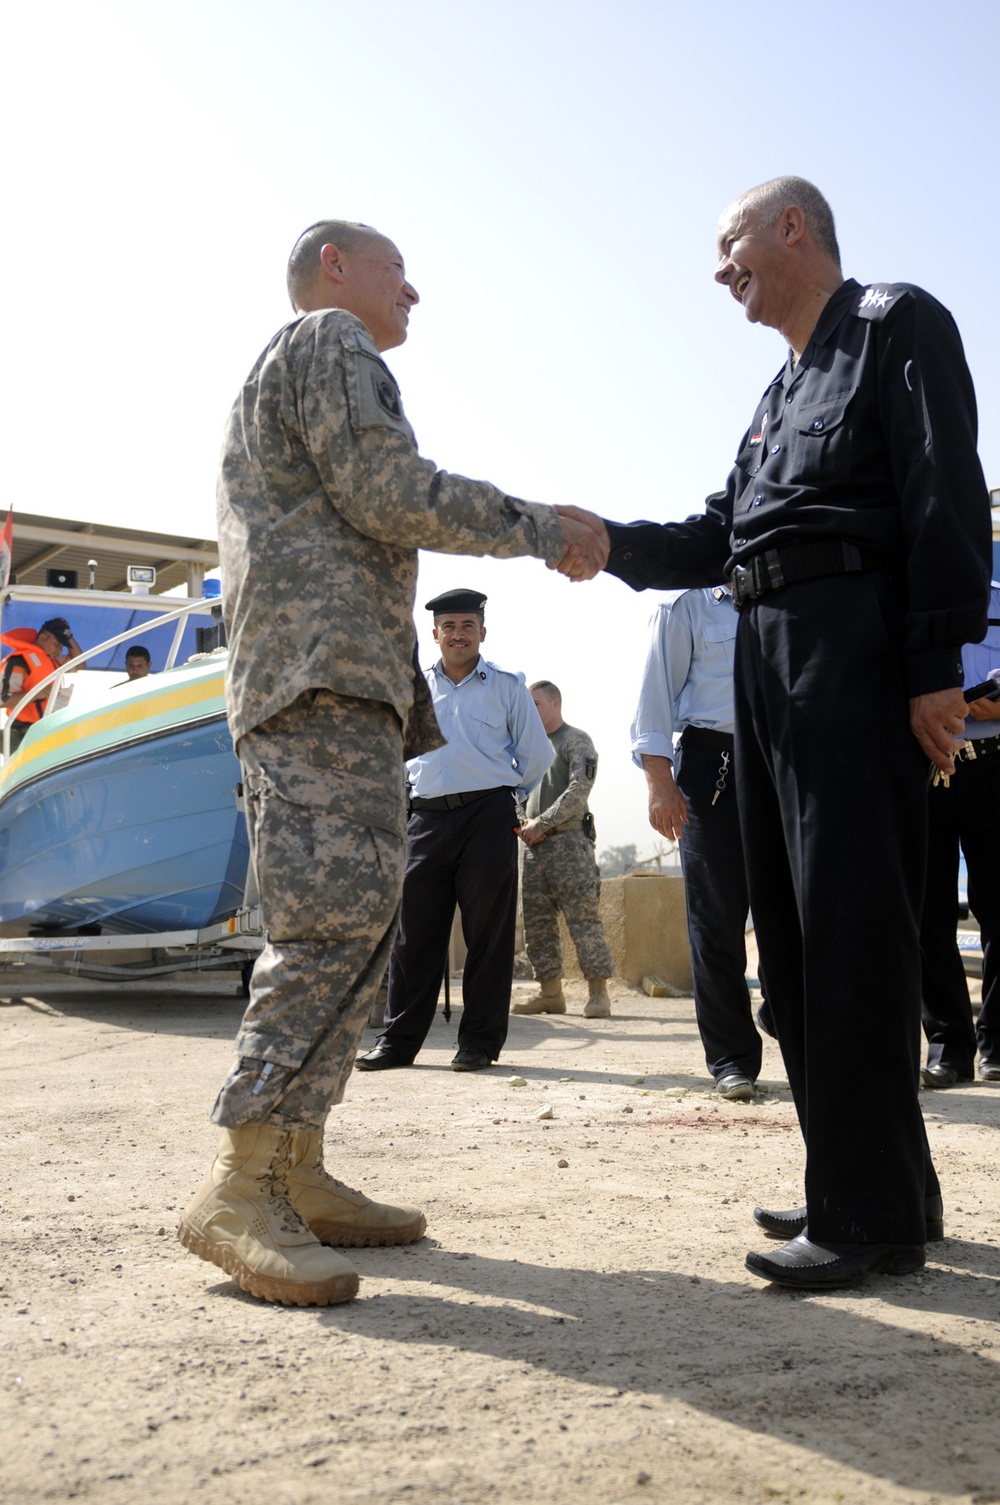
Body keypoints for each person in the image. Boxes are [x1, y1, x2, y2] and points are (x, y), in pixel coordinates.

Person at [555, 176, 991, 1288]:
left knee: (854, 930)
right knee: (792, 947)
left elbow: (947, 493)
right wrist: (611, 543)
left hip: (853, 653)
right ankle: (867, 1180)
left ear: (791, 226)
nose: (719, 266)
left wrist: (936, 665)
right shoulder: (776, 393)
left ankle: (870, 1218)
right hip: (765, 660)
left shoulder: (897, 325)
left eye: (730, 241)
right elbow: (720, 531)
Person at [178, 220, 605, 1308]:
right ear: (335, 267)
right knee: (328, 929)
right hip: (315, 684)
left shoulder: (320, 353)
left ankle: (298, 1166)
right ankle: (241, 1184)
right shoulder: (327, 337)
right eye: (393, 270)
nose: (412, 291)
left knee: (364, 927)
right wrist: (537, 526)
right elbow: (386, 486)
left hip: (347, 685)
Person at [356, 589, 553, 1074]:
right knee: (413, 935)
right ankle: (398, 1042)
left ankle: (478, 1045)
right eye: (449, 626)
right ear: (435, 634)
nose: (458, 634)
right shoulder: (414, 687)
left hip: (486, 817)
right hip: (423, 818)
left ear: (482, 632)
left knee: (487, 934)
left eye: (468, 625)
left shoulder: (507, 686)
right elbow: (393, 752)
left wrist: (502, 797)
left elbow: (537, 757)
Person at [631, 586, 761, 1099]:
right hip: (713, 764)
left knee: (801, 906)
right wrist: (660, 784)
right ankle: (732, 1059)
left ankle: (788, 1019)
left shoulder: (788, 591)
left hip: (784, 759)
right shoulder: (684, 607)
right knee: (716, 921)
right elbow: (654, 702)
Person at [919, 579, 1000, 1088]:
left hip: (994, 766)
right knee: (928, 915)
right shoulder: (909, 595)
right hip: (926, 768)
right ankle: (948, 1048)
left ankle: (998, 1044)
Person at [512, 680, 614, 1019]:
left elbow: (578, 791)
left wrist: (541, 823)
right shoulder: (527, 747)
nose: (531, 711)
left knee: (582, 919)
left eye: (536, 704)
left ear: (555, 703)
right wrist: (524, 824)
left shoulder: (575, 740)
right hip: (531, 848)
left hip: (568, 844)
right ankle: (550, 994)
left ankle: (598, 994)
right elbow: (515, 791)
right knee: (537, 924)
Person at [1, 617, 86, 751]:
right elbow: (3, 700)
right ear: (42, 638)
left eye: (62, 647)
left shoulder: (53, 659)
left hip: (46, 729)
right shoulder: (19, 661)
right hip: (23, 732)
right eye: (57, 644)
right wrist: (36, 694)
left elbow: (80, 665)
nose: (60, 650)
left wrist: (68, 636)